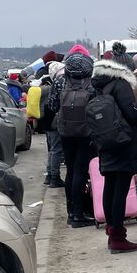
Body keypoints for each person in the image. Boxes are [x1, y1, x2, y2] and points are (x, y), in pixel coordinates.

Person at [91, 50, 137, 253]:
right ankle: (118, 236)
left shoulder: (99, 84)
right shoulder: (121, 84)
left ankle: (111, 231)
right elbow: (130, 114)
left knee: (110, 187)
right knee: (120, 190)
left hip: (105, 142)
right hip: (122, 141)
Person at [46, 51, 97, 227]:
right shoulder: (91, 84)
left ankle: (70, 212)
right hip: (86, 133)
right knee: (81, 172)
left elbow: (52, 106)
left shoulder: (60, 81)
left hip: (65, 132)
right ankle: (79, 214)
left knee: (70, 171)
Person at [42, 60, 66, 188]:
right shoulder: (62, 81)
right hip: (56, 120)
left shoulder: (54, 82)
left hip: (48, 120)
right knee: (56, 149)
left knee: (52, 149)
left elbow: (51, 104)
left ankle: (50, 176)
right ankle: (54, 178)